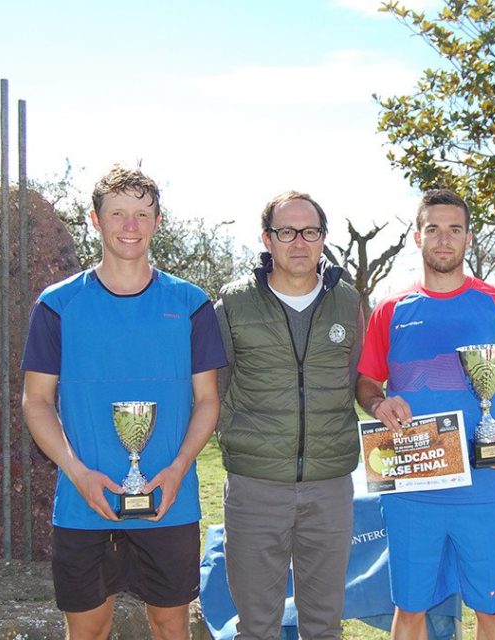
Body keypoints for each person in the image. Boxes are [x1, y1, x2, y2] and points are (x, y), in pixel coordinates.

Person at [21, 165, 227, 640]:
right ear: (95, 220)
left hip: (169, 502)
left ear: (157, 222)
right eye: (118, 214)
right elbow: (36, 401)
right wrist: (78, 472)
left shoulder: (191, 303)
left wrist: (177, 469)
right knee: (88, 630)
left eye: (141, 214)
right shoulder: (57, 305)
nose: (129, 226)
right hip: (82, 502)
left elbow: (207, 401)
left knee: (171, 626)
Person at [356, 189, 495, 640]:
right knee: (410, 607)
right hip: (413, 485)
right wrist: (378, 402)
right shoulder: (390, 310)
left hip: (486, 484)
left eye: (454, 229)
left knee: (490, 608)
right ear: (418, 237)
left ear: (468, 238)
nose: (443, 240)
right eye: (433, 229)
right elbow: (366, 382)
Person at [213, 191, 363, 639]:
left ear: (323, 239)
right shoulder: (232, 305)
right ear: (267, 239)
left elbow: (359, 382)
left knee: (324, 626)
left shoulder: (349, 303)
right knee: (257, 627)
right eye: (286, 231)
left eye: (310, 232)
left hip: (331, 487)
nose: (299, 242)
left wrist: (382, 403)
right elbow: (212, 392)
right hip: (255, 488)